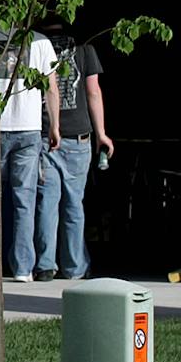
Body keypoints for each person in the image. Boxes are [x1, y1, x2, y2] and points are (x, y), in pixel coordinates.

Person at [0, 26, 60, 282]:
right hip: (29, 127)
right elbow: (51, 87)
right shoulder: (40, 42)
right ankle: (22, 268)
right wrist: (54, 126)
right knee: (25, 197)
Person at [34, 19, 112, 280]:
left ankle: (45, 265)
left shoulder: (36, 48)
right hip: (78, 137)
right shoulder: (85, 50)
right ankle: (73, 267)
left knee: (47, 203)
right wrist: (101, 134)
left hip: (46, 135)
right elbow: (93, 92)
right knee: (73, 206)